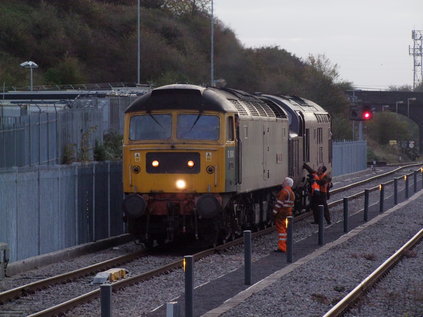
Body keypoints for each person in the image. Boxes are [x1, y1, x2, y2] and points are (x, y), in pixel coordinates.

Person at [272, 177, 295, 253]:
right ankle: (286, 245)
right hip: (288, 213)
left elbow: (279, 204)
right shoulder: (291, 192)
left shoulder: (284, 192)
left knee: (281, 230)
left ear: (287, 183)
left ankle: (282, 247)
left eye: (284, 181)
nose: (282, 183)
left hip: (282, 214)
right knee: (286, 229)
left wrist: (274, 213)